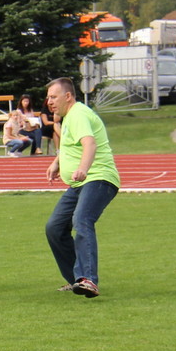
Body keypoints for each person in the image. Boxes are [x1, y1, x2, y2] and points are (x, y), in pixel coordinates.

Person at [44, 77, 120, 298]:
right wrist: (57, 162)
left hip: (98, 178)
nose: (49, 102)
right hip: (80, 183)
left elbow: (89, 143)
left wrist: (83, 169)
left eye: (53, 97)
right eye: (48, 97)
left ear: (68, 96)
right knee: (55, 228)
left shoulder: (78, 114)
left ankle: (88, 279)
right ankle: (76, 280)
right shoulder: (69, 116)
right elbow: (72, 146)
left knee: (82, 219)